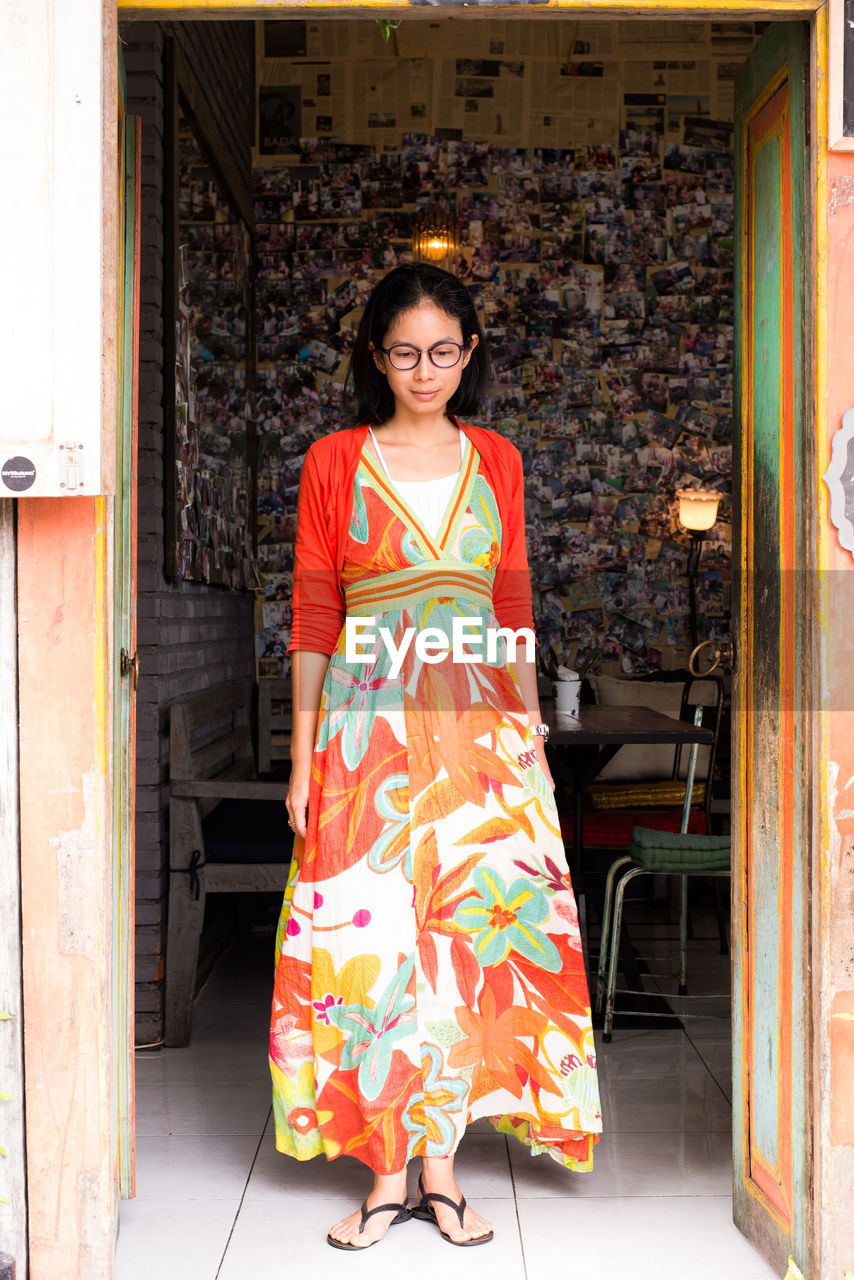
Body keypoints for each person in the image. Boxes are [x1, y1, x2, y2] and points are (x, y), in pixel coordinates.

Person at [269, 263, 601, 1252]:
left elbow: (509, 606)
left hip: (477, 731)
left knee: (465, 943)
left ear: (468, 354)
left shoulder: (495, 457)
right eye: (406, 351)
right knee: (370, 942)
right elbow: (315, 612)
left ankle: (443, 1171)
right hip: (362, 727)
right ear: (376, 356)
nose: (425, 369)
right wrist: (300, 753)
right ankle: (382, 1173)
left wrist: (528, 730)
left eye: (443, 351)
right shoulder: (334, 459)